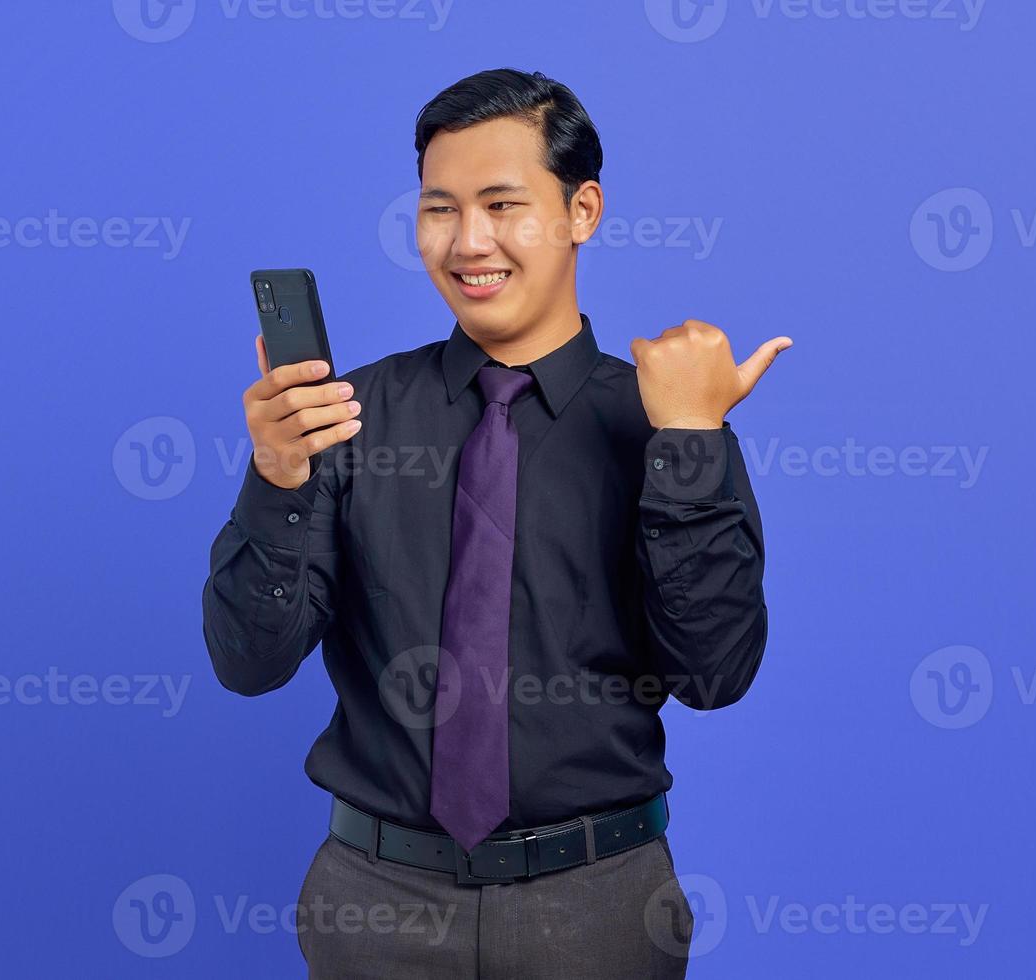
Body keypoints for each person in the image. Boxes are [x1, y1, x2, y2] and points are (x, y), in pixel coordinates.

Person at [203, 67, 790, 979]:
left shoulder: (667, 418)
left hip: (598, 904)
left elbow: (714, 673)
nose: (469, 242)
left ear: (581, 210)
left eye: (502, 203)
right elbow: (249, 662)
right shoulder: (345, 417)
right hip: (375, 902)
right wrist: (278, 478)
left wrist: (689, 443)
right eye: (440, 209)